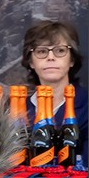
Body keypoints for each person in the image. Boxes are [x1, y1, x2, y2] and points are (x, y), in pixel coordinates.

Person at [21, 19, 88, 166]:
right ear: (31, 62)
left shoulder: (86, 105)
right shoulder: (17, 110)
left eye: (60, 51)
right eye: (41, 51)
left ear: (72, 60)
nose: (50, 57)